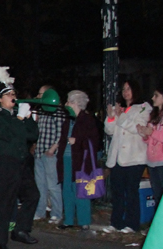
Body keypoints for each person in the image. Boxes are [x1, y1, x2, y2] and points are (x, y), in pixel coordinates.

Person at [0, 67, 40, 249]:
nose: (13, 96)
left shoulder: (19, 116)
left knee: (33, 195)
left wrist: (30, 118)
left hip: (22, 163)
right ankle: (1, 242)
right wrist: (19, 118)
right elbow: (8, 134)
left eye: (13, 93)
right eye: (8, 94)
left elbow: (32, 134)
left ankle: (20, 230)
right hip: (5, 164)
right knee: (5, 205)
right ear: (0, 99)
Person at [103, 79, 150, 233]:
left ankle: (132, 224)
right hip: (117, 157)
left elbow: (138, 128)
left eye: (129, 89)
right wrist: (111, 117)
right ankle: (116, 222)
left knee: (131, 192)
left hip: (134, 157)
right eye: (123, 89)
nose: (125, 92)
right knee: (117, 192)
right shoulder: (122, 109)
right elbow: (110, 131)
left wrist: (121, 116)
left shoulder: (143, 108)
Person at [55, 90, 100, 230]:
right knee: (67, 190)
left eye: (68, 101)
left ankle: (83, 220)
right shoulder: (68, 120)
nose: (66, 104)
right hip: (66, 159)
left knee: (81, 189)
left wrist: (78, 141)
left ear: (75, 103)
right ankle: (68, 219)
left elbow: (95, 142)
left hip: (80, 161)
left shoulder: (87, 120)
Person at [33, 85, 64, 223]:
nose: (38, 97)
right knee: (40, 185)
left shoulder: (56, 110)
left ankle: (57, 213)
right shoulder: (42, 111)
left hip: (50, 154)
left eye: (41, 94)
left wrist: (53, 149)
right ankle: (40, 211)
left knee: (53, 185)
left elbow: (61, 132)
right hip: (39, 152)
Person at [137, 86, 163, 203]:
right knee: (157, 195)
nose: (153, 98)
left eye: (156, 95)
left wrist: (152, 132)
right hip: (152, 161)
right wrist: (144, 134)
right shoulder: (154, 115)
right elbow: (150, 139)